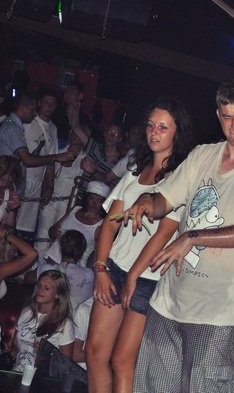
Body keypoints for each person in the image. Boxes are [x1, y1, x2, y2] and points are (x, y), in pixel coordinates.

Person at [124, 78, 234, 393]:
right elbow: (165, 200)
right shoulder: (203, 154)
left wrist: (191, 237)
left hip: (218, 311)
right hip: (169, 300)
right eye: (228, 117)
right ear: (218, 115)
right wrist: (147, 201)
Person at [86, 97, 193, 393]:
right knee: (94, 352)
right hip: (114, 268)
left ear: (177, 133)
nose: (154, 132)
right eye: (150, 125)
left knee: (122, 361)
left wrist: (133, 275)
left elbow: (163, 234)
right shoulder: (136, 167)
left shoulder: (181, 178)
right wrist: (100, 268)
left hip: (148, 278)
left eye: (163, 127)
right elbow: (110, 221)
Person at [0, 92, 74, 202]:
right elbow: (27, 160)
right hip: (3, 181)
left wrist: (49, 186)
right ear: (23, 108)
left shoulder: (11, 123)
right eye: (32, 110)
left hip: (12, 180)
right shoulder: (13, 128)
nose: (34, 113)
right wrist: (57, 157)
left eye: (53, 104)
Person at [35, 128, 88, 254]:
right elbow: (46, 175)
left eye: (79, 135)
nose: (75, 137)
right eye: (73, 133)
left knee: (59, 240)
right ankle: (37, 264)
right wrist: (44, 194)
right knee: (42, 237)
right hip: (51, 201)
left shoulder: (86, 159)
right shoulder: (58, 153)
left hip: (68, 205)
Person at [17, 88, 61, 239]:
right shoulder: (28, 122)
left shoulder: (53, 129)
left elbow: (51, 160)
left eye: (52, 104)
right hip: (21, 178)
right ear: (40, 103)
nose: (49, 106)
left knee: (25, 228)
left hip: (36, 184)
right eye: (46, 102)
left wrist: (49, 187)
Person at [12, 269, 74, 371]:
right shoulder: (26, 313)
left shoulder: (64, 324)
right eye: (39, 285)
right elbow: (15, 348)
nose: (40, 290)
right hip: (18, 372)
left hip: (41, 377)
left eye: (46, 288)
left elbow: (65, 365)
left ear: (57, 294)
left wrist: (47, 354)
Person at [45, 181, 109, 266]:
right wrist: (54, 231)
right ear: (87, 198)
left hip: (74, 268)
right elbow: (52, 231)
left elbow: (98, 255)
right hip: (51, 261)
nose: (94, 203)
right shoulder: (75, 209)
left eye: (99, 200)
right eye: (92, 198)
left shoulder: (101, 225)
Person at [36, 230, 93, 309]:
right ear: (82, 252)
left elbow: (27, 278)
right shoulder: (89, 274)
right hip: (80, 315)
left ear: (60, 248)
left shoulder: (48, 270)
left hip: (54, 314)